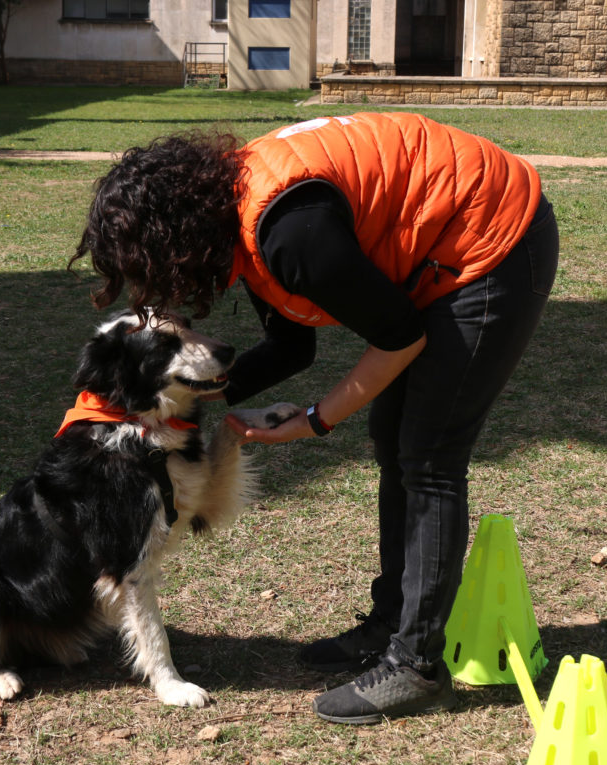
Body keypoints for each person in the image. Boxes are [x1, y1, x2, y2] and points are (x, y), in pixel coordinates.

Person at [71, 112, 558, 725]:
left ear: (173, 239)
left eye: (149, 268)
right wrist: (200, 394)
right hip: (445, 235)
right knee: (394, 442)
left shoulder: (288, 232)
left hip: (494, 238)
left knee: (429, 457)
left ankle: (416, 667)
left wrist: (315, 420)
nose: (157, 291)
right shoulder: (240, 220)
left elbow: (400, 335)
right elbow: (291, 344)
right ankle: (392, 626)